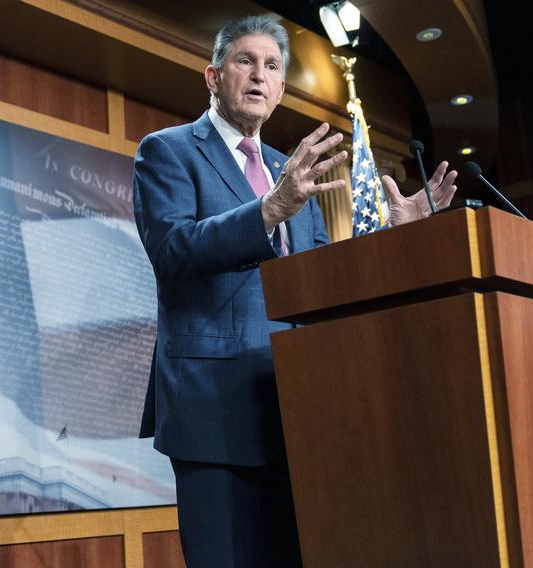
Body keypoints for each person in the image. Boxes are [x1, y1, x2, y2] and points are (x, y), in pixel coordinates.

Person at [132, 15, 457, 567]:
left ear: (281, 90)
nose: (259, 75)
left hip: (300, 409)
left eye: (272, 66)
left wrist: (397, 240)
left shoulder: (291, 171)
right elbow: (174, 250)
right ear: (213, 76)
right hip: (214, 411)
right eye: (245, 61)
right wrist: (268, 211)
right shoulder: (168, 151)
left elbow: (326, 281)